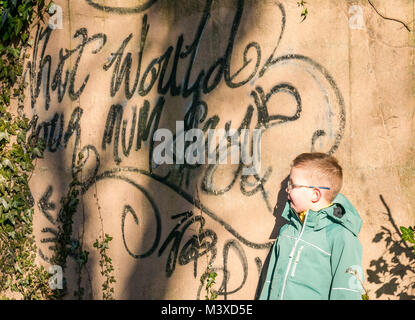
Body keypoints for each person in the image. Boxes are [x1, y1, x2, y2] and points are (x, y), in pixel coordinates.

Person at [259, 152, 364, 300]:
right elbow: (269, 283)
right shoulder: (287, 232)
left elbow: (346, 293)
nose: (286, 190)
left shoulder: (342, 237)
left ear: (315, 195)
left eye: (292, 185)